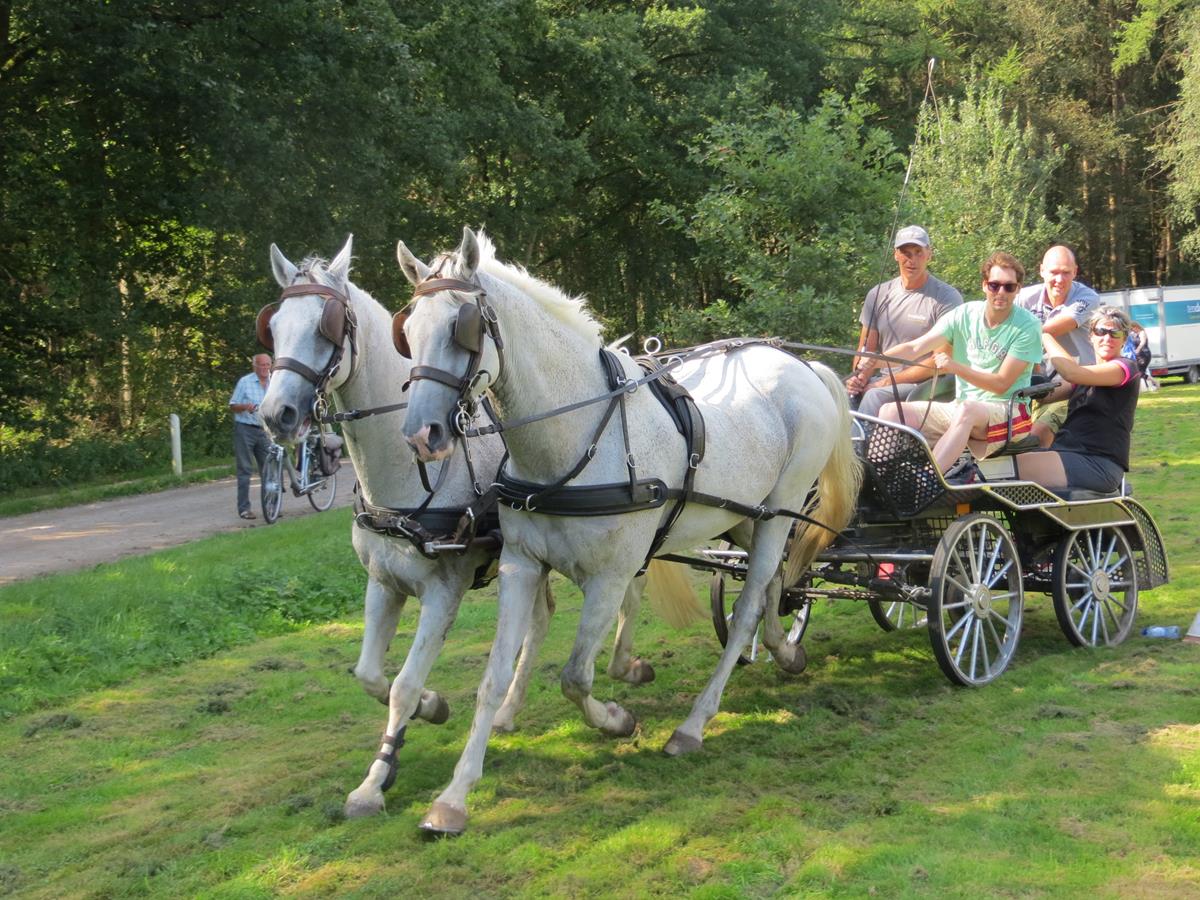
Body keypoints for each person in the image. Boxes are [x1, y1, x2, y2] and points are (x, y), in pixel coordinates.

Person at [878, 251, 1043, 474]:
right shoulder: (965, 314)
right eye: (995, 285)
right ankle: (880, 479)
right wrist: (876, 362)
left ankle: (927, 480)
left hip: (1009, 411)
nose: (1001, 292)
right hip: (964, 408)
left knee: (967, 409)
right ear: (985, 285)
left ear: (1018, 289)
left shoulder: (1028, 326)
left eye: (1009, 287)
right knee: (890, 411)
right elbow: (916, 347)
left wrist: (954, 367)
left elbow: (1001, 384)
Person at [1013, 307, 1140, 494]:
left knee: (1009, 468)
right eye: (1101, 332)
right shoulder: (1085, 375)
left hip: (1098, 463)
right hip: (1067, 453)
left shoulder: (1125, 368)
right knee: (1003, 462)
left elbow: (1071, 373)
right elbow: (1046, 395)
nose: (1107, 338)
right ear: (1091, 336)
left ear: (1124, 339)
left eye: (1115, 333)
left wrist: (1043, 333)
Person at [845, 225, 962, 418]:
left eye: (918, 253)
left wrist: (882, 383)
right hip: (880, 380)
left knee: (874, 396)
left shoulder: (947, 297)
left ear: (929, 255)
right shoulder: (878, 294)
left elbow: (939, 362)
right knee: (838, 396)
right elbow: (866, 350)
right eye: (906, 253)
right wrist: (859, 379)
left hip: (926, 385)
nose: (912, 260)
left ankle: (860, 448)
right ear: (896, 255)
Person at [1017, 245, 1101, 447]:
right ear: (1042, 271)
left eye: (1066, 272)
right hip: (1035, 385)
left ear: (1075, 272)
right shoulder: (1023, 298)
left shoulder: (1087, 297)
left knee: (1037, 435)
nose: (1060, 279)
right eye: (1054, 272)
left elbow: (1055, 328)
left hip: (1077, 386)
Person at [229, 353, 272, 520]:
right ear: (255, 366)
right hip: (245, 428)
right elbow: (232, 405)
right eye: (261, 365)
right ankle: (244, 509)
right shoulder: (245, 382)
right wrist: (244, 406)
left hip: (264, 430)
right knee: (245, 469)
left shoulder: (274, 382)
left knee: (269, 469)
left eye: (268, 365)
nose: (265, 368)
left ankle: (270, 507)